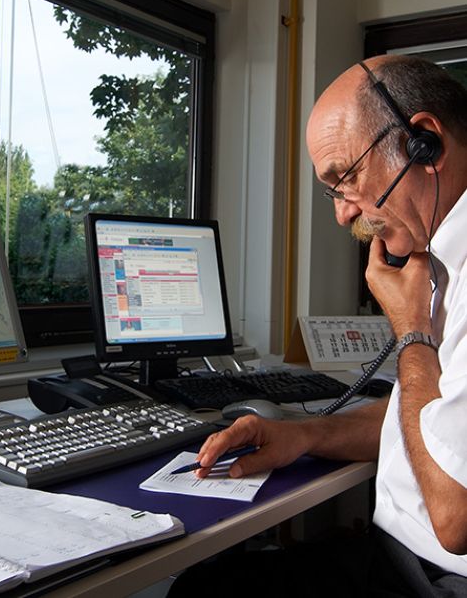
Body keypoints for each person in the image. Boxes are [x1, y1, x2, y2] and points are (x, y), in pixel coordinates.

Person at [168, 55, 467, 597]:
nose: (343, 214)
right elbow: (436, 423)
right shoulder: (441, 260)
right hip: (396, 557)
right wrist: (304, 434)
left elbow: (455, 516)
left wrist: (411, 333)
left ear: (425, 143)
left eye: (346, 178)